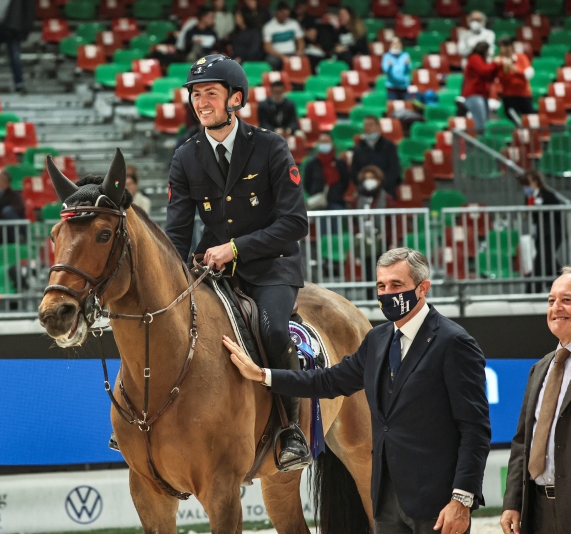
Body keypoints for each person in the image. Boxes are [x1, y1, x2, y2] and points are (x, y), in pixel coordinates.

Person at [227, 247, 491, 534]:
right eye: (381, 285)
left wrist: (462, 499)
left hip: (437, 504)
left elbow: (474, 429)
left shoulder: (455, 343)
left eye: (396, 285)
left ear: (422, 289)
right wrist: (264, 375)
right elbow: (327, 381)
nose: (387, 293)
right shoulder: (377, 340)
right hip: (386, 503)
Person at [165, 54, 311, 469]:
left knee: (273, 330)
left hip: (271, 267)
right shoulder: (185, 156)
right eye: (195, 94)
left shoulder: (270, 146)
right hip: (213, 271)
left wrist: (236, 248)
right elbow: (177, 233)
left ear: (235, 99)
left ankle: (290, 429)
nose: (200, 101)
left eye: (210, 93)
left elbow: (295, 222)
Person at [501, 266, 571, 534]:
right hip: (537, 512)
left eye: (567, 300)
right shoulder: (540, 368)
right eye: (551, 300)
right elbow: (521, 443)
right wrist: (513, 503)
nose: (556, 307)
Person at [521, 171, 564, 294]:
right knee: (550, 263)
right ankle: (565, 288)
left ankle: (531, 291)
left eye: (527, 184)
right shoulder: (529, 198)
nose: (525, 188)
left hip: (552, 234)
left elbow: (555, 215)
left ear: (535, 182)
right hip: (540, 234)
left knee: (541, 261)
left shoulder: (548, 195)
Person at [0, 0, 33, 94]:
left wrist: (25, 28)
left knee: (15, 55)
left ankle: (19, 84)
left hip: (12, 24)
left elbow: (28, 8)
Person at [351, 115, 401, 199]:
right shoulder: (358, 148)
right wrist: (366, 185)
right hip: (364, 191)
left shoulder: (389, 146)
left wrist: (379, 186)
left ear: (378, 127)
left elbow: (394, 170)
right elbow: (354, 172)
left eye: (371, 125)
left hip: (386, 191)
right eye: (366, 125)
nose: (368, 128)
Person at [302, 131, 350, 210]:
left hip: (336, 202)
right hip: (317, 203)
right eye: (322, 142)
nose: (324, 144)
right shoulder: (311, 164)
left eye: (326, 141)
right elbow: (307, 183)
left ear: (332, 143)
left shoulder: (340, 163)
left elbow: (345, 182)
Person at [462, 41, 499, 134]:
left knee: (484, 124)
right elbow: (484, 71)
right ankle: (478, 147)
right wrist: (495, 63)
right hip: (474, 95)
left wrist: (497, 67)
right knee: (481, 125)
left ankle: (482, 144)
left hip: (482, 95)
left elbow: (489, 77)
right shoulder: (474, 58)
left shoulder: (483, 61)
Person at [495, 37, 534, 125]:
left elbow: (528, 74)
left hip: (523, 94)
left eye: (503, 47)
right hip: (509, 96)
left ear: (510, 47)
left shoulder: (521, 57)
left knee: (530, 118)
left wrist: (515, 68)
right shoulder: (498, 60)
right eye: (500, 47)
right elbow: (497, 77)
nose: (502, 49)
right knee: (513, 120)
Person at [262, 2, 305, 71]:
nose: (285, 16)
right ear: (277, 13)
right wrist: (282, 56)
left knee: (304, 59)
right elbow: (267, 47)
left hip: (292, 53)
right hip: (277, 55)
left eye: (287, 14)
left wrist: (300, 51)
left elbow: (300, 41)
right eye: (283, 14)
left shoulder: (294, 24)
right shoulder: (268, 27)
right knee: (271, 61)